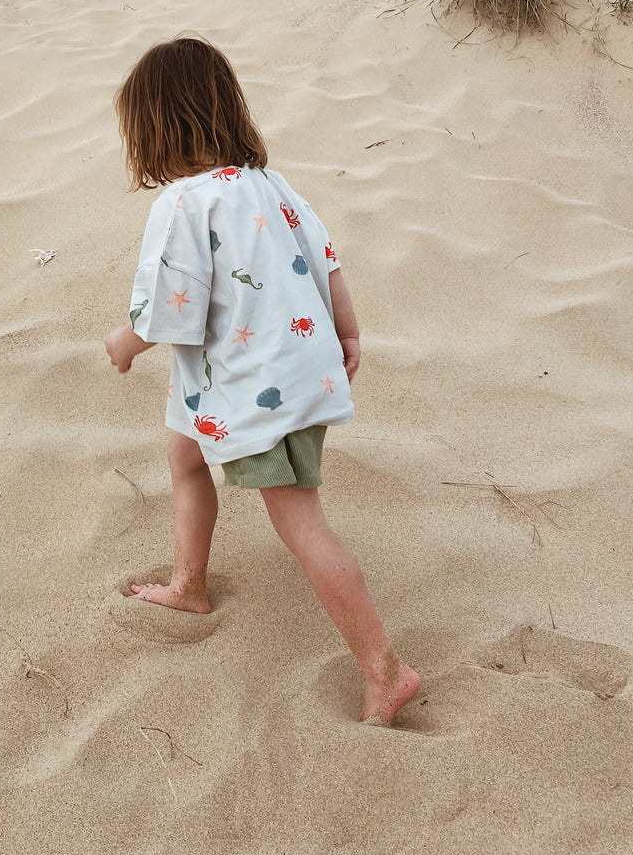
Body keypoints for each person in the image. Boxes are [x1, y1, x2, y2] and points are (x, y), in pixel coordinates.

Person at [104, 36, 420, 726]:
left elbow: (169, 306)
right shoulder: (272, 186)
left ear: (155, 130)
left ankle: (384, 668)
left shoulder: (183, 204)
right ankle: (189, 583)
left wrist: (124, 343)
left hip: (260, 386)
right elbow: (325, 256)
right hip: (271, 368)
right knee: (185, 453)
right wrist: (350, 332)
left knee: (300, 523)